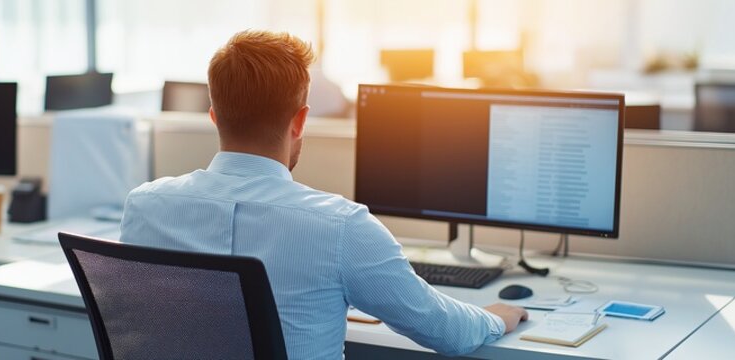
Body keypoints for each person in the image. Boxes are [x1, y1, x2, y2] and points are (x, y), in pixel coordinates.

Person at [120, 30, 527, 358]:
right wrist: (495, 318)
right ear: (299, 122)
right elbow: (448, 332)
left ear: (214, 117)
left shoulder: (145, 206)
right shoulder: (341, 226)